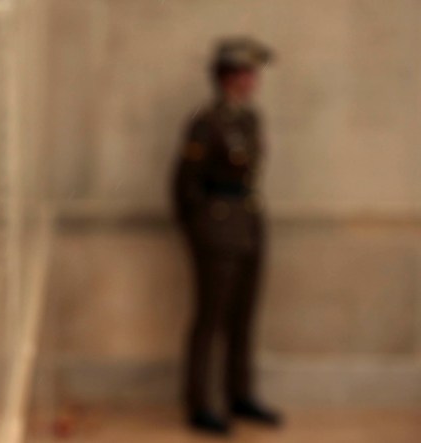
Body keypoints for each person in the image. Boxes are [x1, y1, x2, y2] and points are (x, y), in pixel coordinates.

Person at [172, 37, 281, 436]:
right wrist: (200, 231)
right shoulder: (207, 123)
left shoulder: (249, 119)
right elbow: (184, 187)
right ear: (227, 76)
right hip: (216, 231)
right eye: (245, 73)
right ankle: (200, 401)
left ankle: (240, 394)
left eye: (253, 74)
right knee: (211, 317)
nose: (252, 81)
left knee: (244, 316)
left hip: (250, 225)